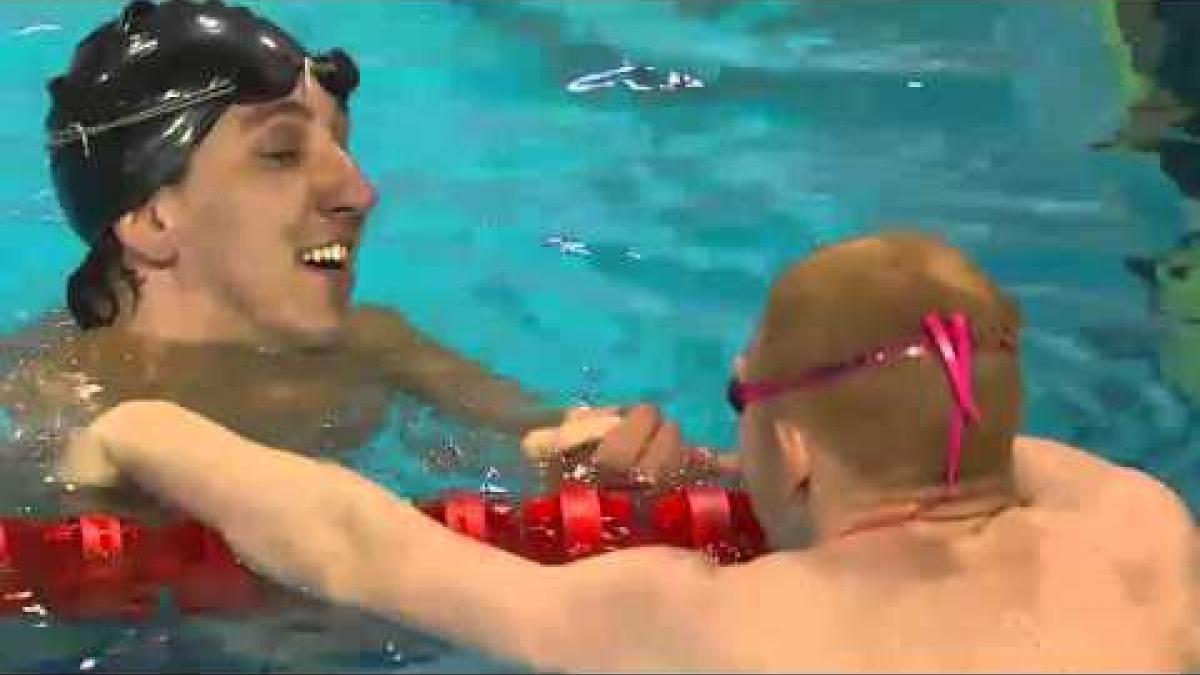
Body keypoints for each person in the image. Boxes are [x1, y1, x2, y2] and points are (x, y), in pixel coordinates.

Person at [60, 232, 1199, 672]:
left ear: (792, 447)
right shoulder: (1143, 530)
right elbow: (978, 430)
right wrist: (720, 473)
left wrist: (142, 428)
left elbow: (363, 547)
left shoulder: (714, 626)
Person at [0, 0, 702, 516]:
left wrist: (615, 457)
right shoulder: (44, 402)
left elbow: (545, 440)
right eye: (280, 153)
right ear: (152, 217)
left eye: (343, 146)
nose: (359, 192)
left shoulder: (377, 347)